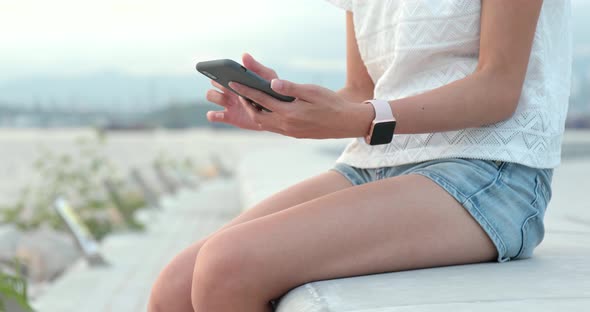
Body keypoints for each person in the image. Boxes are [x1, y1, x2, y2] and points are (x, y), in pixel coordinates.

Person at [148, 0, 572, 311]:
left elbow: (497, 90)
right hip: (374, 162)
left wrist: (362, 118)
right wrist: (282, 107)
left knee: (228, 267)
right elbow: (363, 92)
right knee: (174, 288)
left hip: (490, 169)